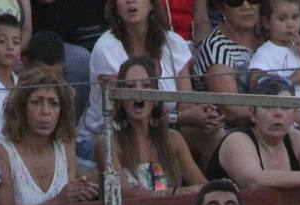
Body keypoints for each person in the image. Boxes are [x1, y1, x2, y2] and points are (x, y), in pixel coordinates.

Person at [79, 0, 218, 163]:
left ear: (152, 4)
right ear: (115, 8)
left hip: (162, 132)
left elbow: (185, 104)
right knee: (160, 143)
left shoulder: (174, 43)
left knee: (212, 133)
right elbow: (132, 118)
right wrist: (185, 117)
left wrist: (201, 115)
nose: (131, 1)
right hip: (109, 138)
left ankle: (221, 185)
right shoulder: (106, 49)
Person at [206, 73, 300, 189]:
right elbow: (254, 181)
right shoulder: (236, 140)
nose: (278, 113)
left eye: (285, 107)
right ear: (252, 113)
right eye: (268, 107)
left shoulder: (297, 139)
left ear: (294, 113)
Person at [96, 55, 207, 196]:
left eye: (146, 86)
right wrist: (176, 193)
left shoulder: (173, 139)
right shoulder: (108, 143)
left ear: (155, 96)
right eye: (130, 87)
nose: (139, 92)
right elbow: (122, 194)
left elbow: (201, 185)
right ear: (120, 98)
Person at [0, 67, 98, 205]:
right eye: (36, 102)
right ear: (21, 107)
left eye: (53, 104)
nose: (45, 112)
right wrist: (58, 201)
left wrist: (83, 191)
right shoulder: (2, 152)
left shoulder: (65, 144)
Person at [249, 0, 300, 141]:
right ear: (267, 22)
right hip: (286, 122)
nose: (290, 24)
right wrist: (289, 81)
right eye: (282, 19)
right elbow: (257, 88)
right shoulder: (264, 54)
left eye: (295, 17)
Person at [192, 0, 266, 137]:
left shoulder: (271, 35)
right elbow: (232, 110)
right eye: (235, 1)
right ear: (221, 7)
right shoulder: (216, 47)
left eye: (253, 0)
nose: (246, 6)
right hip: (234, 135)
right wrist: (283, 111)